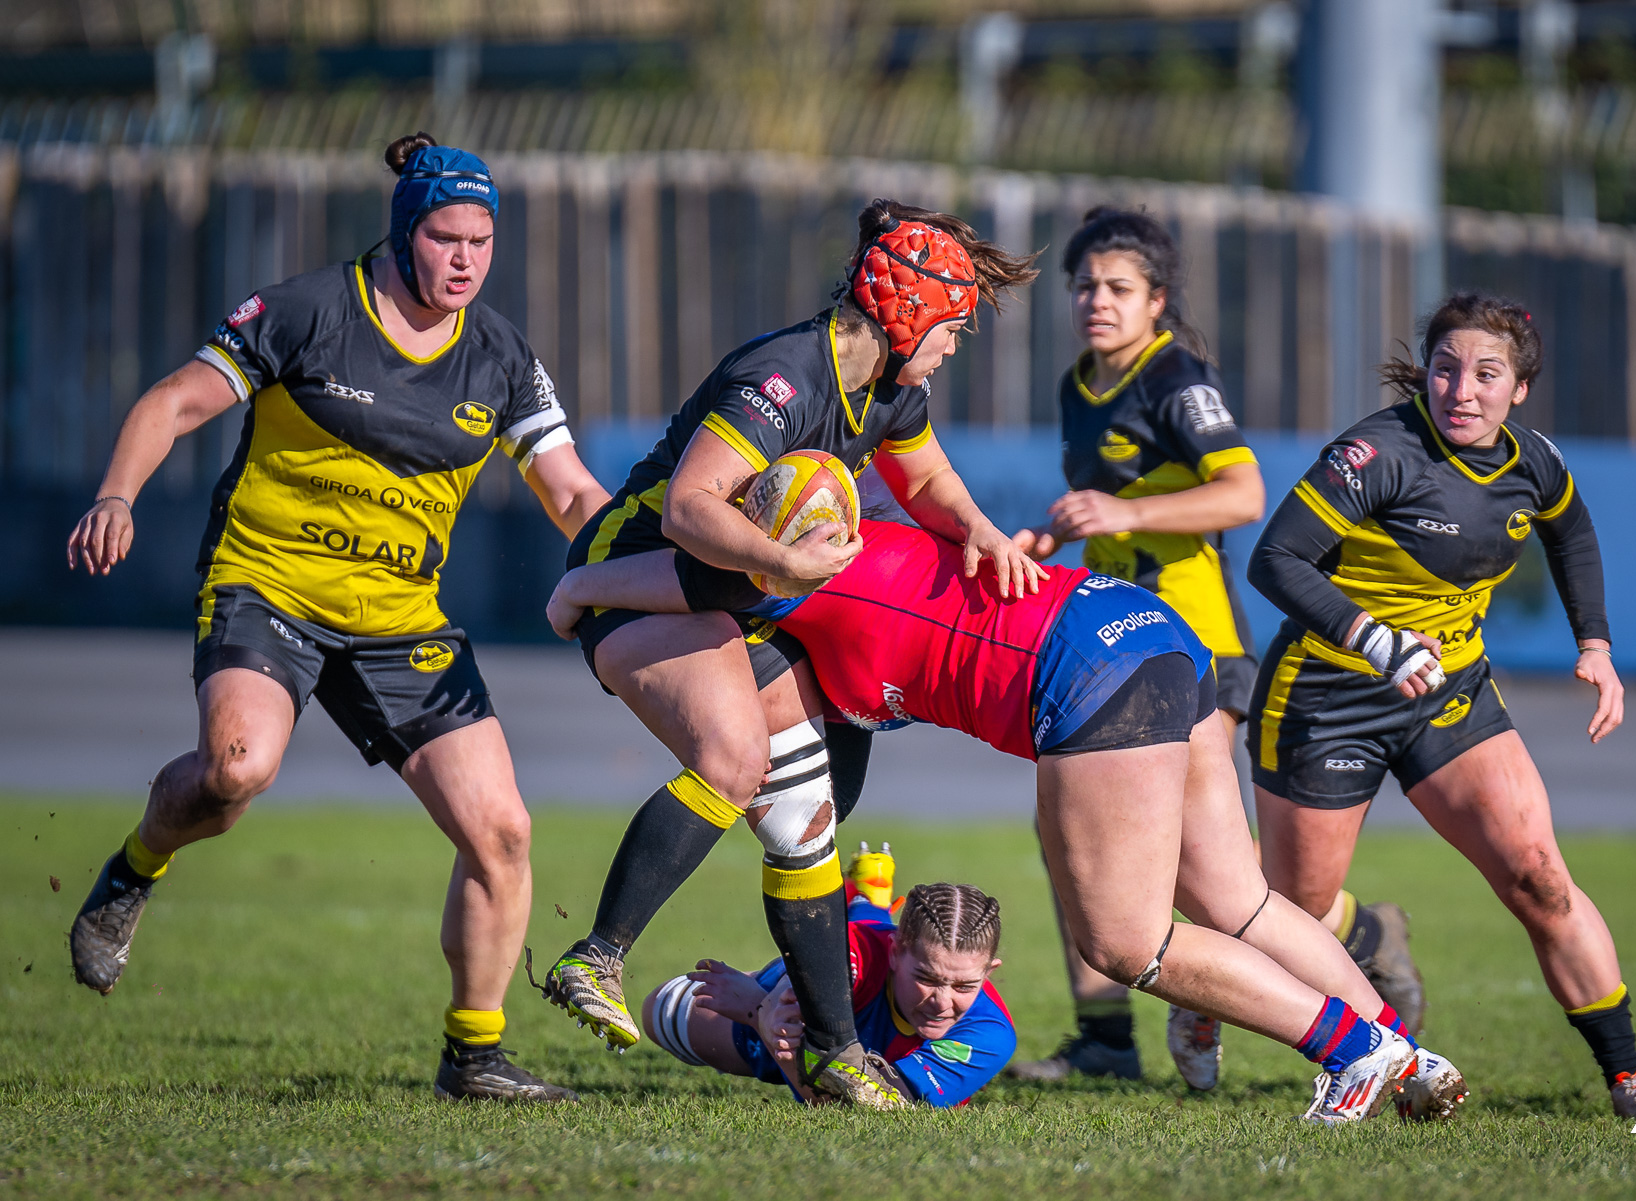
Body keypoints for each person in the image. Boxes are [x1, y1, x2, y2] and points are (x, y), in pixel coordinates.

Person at [549, 518, 1472, 1124]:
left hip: (1086, 675)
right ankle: (1406, 1052)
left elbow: (678, 576)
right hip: (1147, 630)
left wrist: (580, 587)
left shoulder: (793, 569)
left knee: (1128, 944)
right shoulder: (849, 578)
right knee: (1240, 899)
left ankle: (1352, 1052)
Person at [63, 131, 610, 1103]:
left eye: (482, 242)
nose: (465, 260)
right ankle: (134, 869)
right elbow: (176, 402)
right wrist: (116, 494)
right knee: (236, 774)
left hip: (402, 620)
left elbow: (572, 495)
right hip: (268, 587)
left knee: (505, 833)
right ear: (406, 234)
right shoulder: (308, 311)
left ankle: (473, 1055)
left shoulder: (500, 358)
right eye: (446, 238)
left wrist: (656, 547)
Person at [537, 200, 1045, 1108]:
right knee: (735, 760)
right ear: (910, 314)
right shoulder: (783, 376)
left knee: (811, 805)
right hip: (647, 572)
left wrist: (980, 530)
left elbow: (922, 477)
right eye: (955, 329)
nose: (956, 347)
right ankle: (598, 955)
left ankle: (834, 1048)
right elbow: (693, 507)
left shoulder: (891, 390)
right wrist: (782, 564)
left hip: (739, 592)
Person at [1244, 291, 1636, 1121]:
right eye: (1446, 368)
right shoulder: (1378, 452)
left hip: (1449, 692)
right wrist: (1373, 640)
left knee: (1538, 875)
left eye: (1487, 374)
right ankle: (1362, 946)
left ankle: (1634, 1079)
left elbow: (1573, 532)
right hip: (1326, 696)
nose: (1461, 389)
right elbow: (1275, 560)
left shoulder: (1534, 462)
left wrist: (1596, 643)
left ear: (1520, 388)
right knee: (1289, 910)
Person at [1010, 207, 1421, 1089]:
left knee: (1203, 879)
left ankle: (1359, 958)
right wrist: (1058, 536)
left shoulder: (1177, 377)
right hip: (1109, 644)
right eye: (1085, 285)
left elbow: (1241, 491)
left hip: (1191, 646)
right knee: (1069, 837)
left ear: (1156, 300)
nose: (1096, 300)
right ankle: (1106, 1037)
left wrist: (1124, 514)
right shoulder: (1080, 383)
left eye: (1118, 287)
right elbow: (1113, 500)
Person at [643, 873, 1016, 1108]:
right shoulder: (856, 958)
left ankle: (868, 896)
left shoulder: (990, 1034)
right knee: (658, 1009)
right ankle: (865, 902)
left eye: (965, 985)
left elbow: (868, 1107)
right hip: (787, 997)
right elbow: (796, 999)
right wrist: (774, 1005)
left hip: (769, 1020)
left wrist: (757, 1012)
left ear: (989, 972)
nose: (942, 1002)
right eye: (928, 979)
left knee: (854, 940)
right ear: (896, 954)